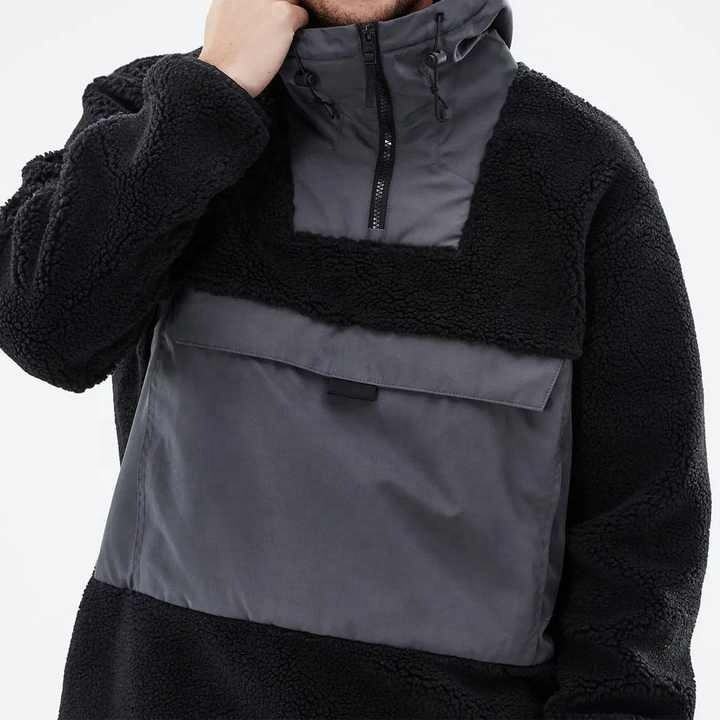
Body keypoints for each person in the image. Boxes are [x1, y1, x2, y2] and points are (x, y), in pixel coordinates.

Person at [0, 0, 711, 718]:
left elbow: (641, 545)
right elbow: (46, 328)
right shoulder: (170, 113)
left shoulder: (579, 170)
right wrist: (216, 87)